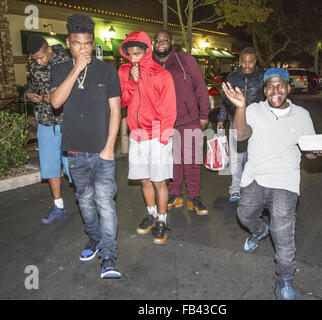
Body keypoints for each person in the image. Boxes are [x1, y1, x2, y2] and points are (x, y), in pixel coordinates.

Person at [222, 68, 322, 300]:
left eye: (280, 86)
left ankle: (286, 278)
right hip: (255, 177)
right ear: (265, 90)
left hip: (285, 181)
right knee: (244, 215)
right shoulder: (254, 110)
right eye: (270, 86)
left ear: (289, 88)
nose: (275, 91)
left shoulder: (302, 115)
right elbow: (240, 136)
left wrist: (316, 152)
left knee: (283, 234)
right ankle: (259, 230)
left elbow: (308, 153)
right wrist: (240, 107)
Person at [50, 13, 122, 279]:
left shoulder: (107, 70)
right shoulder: (59, 70)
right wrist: (77, 68)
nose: (84, 48)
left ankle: (109, 256)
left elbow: (115, 111)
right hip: (75, 152)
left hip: (102, 152)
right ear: (69, 43)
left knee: (106, 204)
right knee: (86, 203)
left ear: (94, 43)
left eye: (89, 44)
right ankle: (94, 239)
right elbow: (56, 102)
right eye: (78, 43)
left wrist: (109, 147)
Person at [118, 31, 177, 244]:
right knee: (144, 180)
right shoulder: (124, 72)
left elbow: (170, 109)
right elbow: (122, 102)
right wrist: (132, 82)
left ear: (146, 51)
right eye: (131, 54)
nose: (134, 58)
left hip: (158, 135)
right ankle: (151, 214)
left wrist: (164, 138)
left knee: (159, 181)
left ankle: (162, 218)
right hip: (138, 135)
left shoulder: (161, 74)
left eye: (138, 53)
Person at [152, 30, 210, 215]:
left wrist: (204, 114)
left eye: (165, 40)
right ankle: (175, 193)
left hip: (189, 119)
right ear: (154, 43)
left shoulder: (185, 59)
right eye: (158, 40)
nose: (161, 43)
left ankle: (193, 197)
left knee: (192, 161)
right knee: (173, 161)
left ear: (172, 42)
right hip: (164, 123)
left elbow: (200, 87)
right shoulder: (150, 63)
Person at [25, 35, 72, 224]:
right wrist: (29, 93)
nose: (39, 61)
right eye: (35, 58)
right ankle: (58, 206)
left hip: (67, 121)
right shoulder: (35, 65)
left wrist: (54, 97)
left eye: (41, 57)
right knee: (50, 165)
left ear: (49, 50)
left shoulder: (67, 61)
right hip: (45, 121)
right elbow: (32, 84)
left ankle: (88, 202)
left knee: (74, 167)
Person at [217, 47, 265, 202]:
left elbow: (266, 100)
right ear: (240, 62)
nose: (247, 65)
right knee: (237, 159)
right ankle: (235, 189)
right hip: (235, 121)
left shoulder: (262, 77)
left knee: (254, 158)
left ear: (255, 62)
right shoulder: (232, 77)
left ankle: (251, 188)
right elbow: (226, 100)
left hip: (256, 125)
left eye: (250, 62)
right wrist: (221, 118)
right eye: (243, 61)